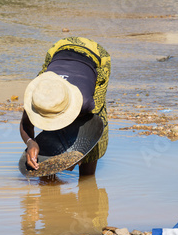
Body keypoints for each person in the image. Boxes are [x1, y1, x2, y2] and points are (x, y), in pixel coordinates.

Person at [20, 37, 111, 176]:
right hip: (59, 49)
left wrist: (77, 155)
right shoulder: (38, 95)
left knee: (96, 121)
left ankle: (87, 180)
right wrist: (31, 143)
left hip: (95, 56)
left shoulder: (85, 102)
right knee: (51, 115)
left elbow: (93, 129)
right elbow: (25, 123)